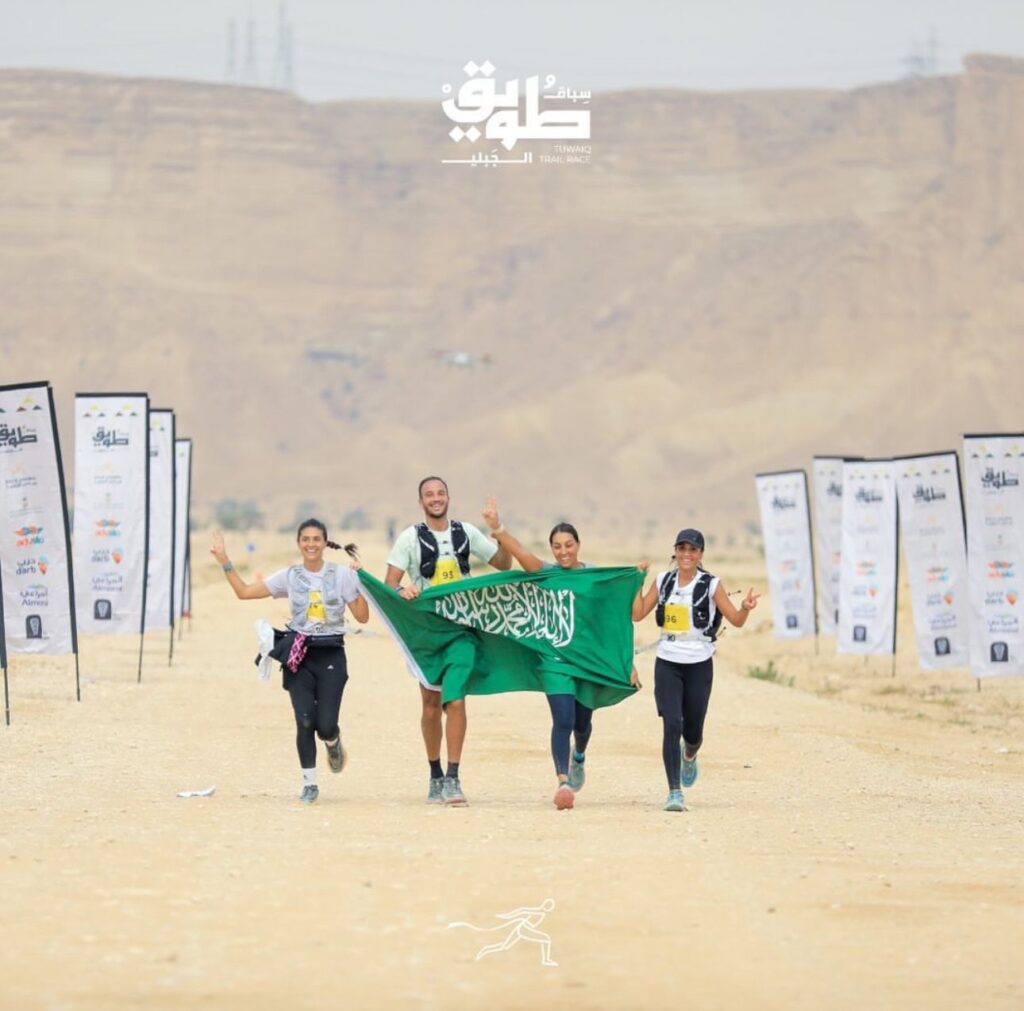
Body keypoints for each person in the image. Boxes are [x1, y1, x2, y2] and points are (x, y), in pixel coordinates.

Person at [480, 498, 640, 811]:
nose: (563, 551)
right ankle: (563, 781)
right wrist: (497, 527)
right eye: (557, 546)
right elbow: (522, 553)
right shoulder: (546, 574)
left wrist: (626, 662)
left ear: (578, 545)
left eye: (568, 545)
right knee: (563, 719)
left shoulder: (592, 579)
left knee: (582, 723)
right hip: (553, 662)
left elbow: (610, 623)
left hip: (587, 661)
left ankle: (579, 754)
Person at [211, 520, 369, 804]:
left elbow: (362, 617)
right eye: (305, 539)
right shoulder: (289, 576)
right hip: (299, 655)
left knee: (325, 725)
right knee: (305, 720)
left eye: (316, 539)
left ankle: (333, 742)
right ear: (298, 543)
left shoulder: (341, 574)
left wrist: (360, 582)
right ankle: (309, 783)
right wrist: (225, 561)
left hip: (331, 653)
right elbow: (244, 592)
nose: (311, 544)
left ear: (324, 542)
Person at [384, 476, 512, 805]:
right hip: (427, 633)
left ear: (449, 497)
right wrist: (402, 590)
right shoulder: (409, 539)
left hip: (462, 631)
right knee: (430, 707)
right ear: (421, 502)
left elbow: (502, 564)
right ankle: (435, 774)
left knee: (454, 700)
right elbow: (389, 584)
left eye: (441, 493)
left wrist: (497, 529)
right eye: (429, 494)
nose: (436, 498)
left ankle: (454, 777)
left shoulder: (466, 533)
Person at [632, 528, 760, 813]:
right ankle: (674, 792)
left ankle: (690, 752)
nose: (686, 555)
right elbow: (637, 613)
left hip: (699, 663)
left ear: (701, 554)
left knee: (692, 730)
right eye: (681, 549)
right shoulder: (664, 581)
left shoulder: (712, 585)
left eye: (693, 550)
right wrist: (636, 582)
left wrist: (746, 607)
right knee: (671, 724)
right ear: (675, 552)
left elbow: (736, 621)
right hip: (668, 660)